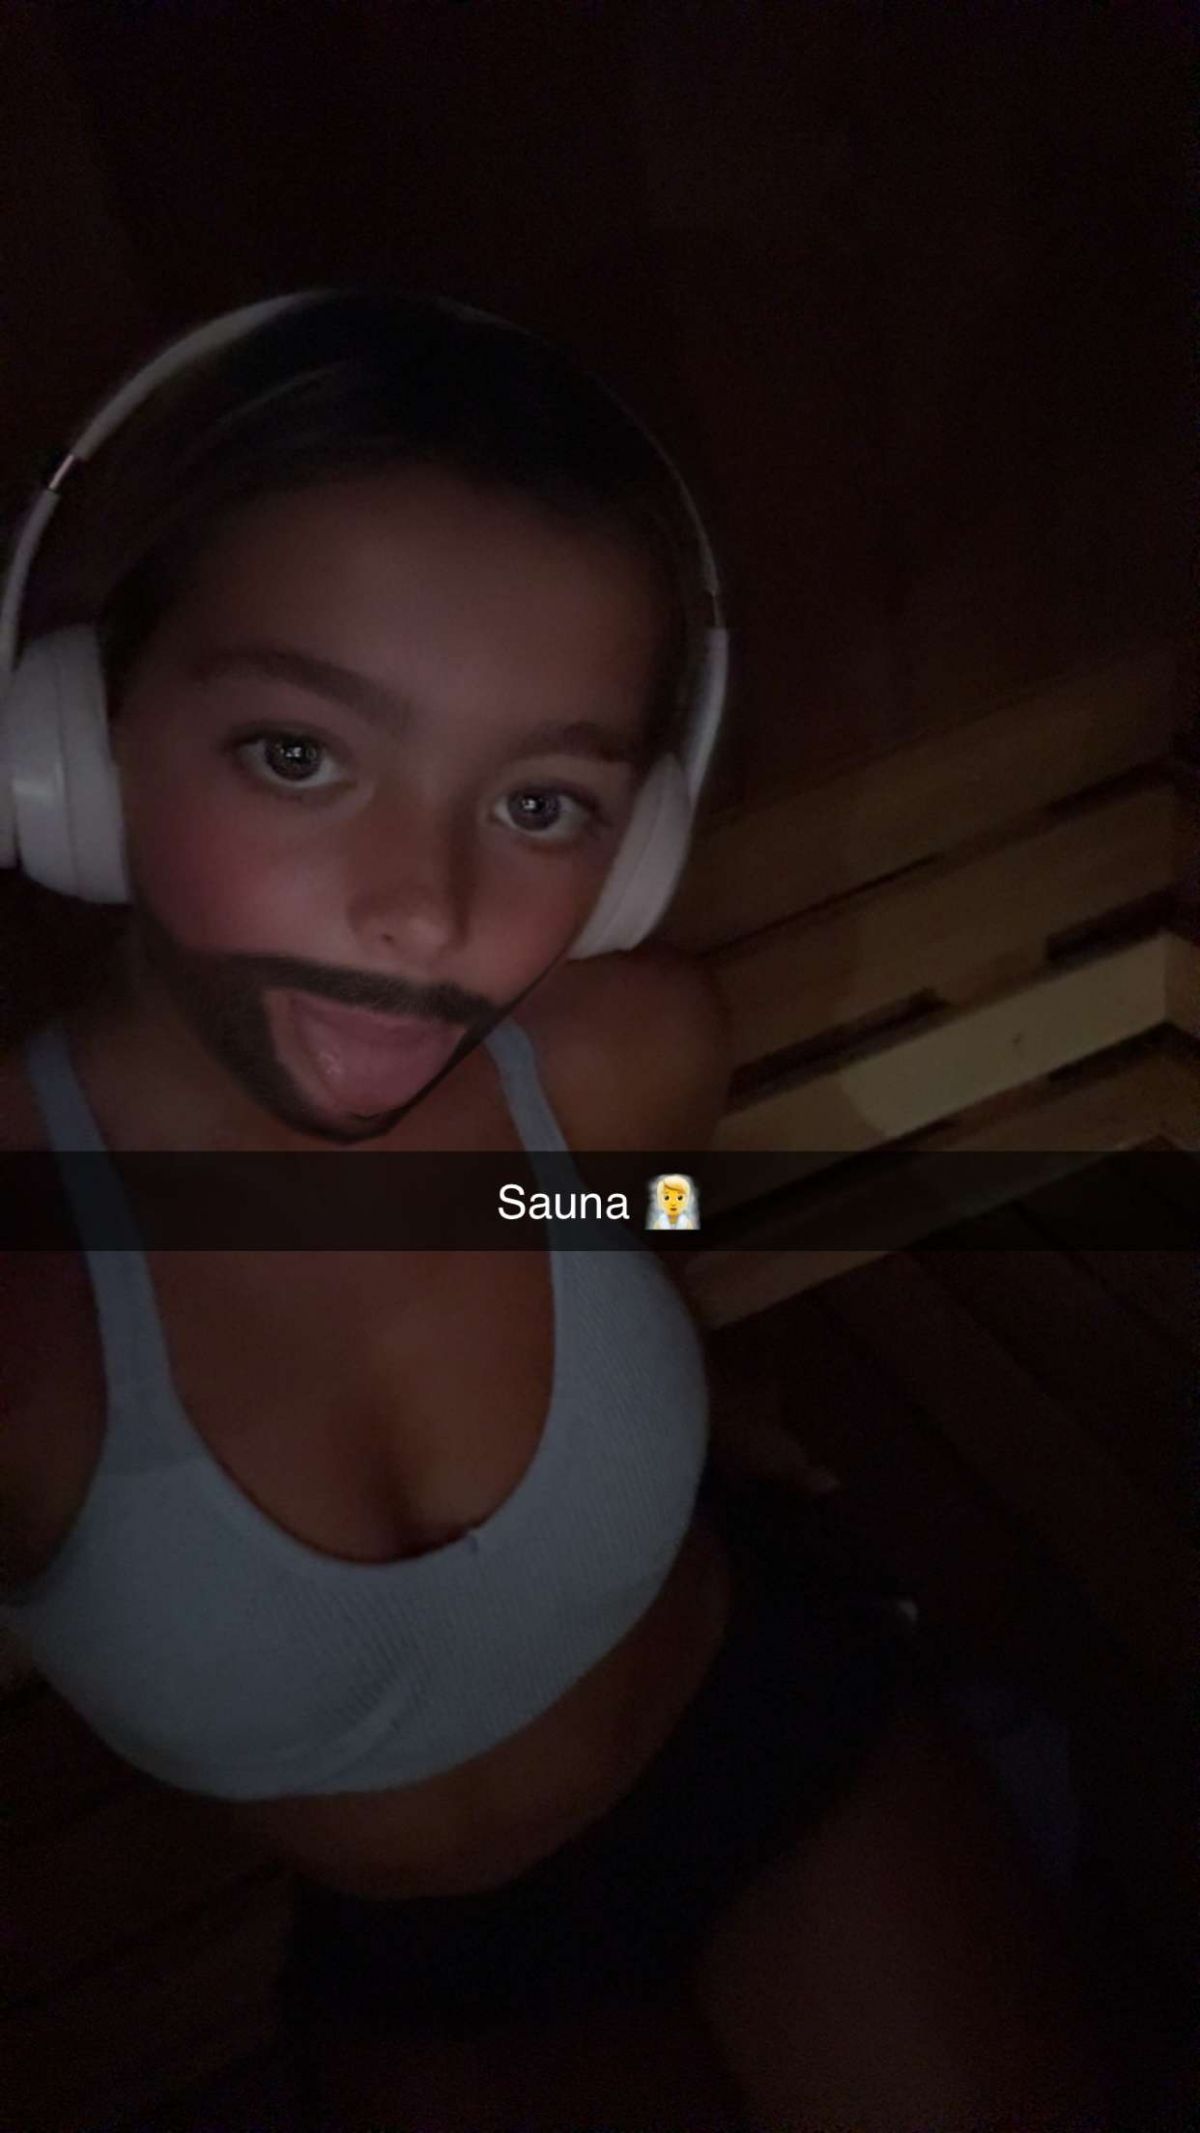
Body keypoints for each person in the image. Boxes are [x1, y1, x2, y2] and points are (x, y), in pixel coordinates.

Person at [0, 289, 1109, 2129]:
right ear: (78, 749)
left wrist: (690, 1396)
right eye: (299, 753)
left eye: (540, 803)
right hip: (436, 1957)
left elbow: (636, 1220)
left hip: (771, 1734)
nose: (425, 910)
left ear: (633, 850)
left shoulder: (614, 1069)